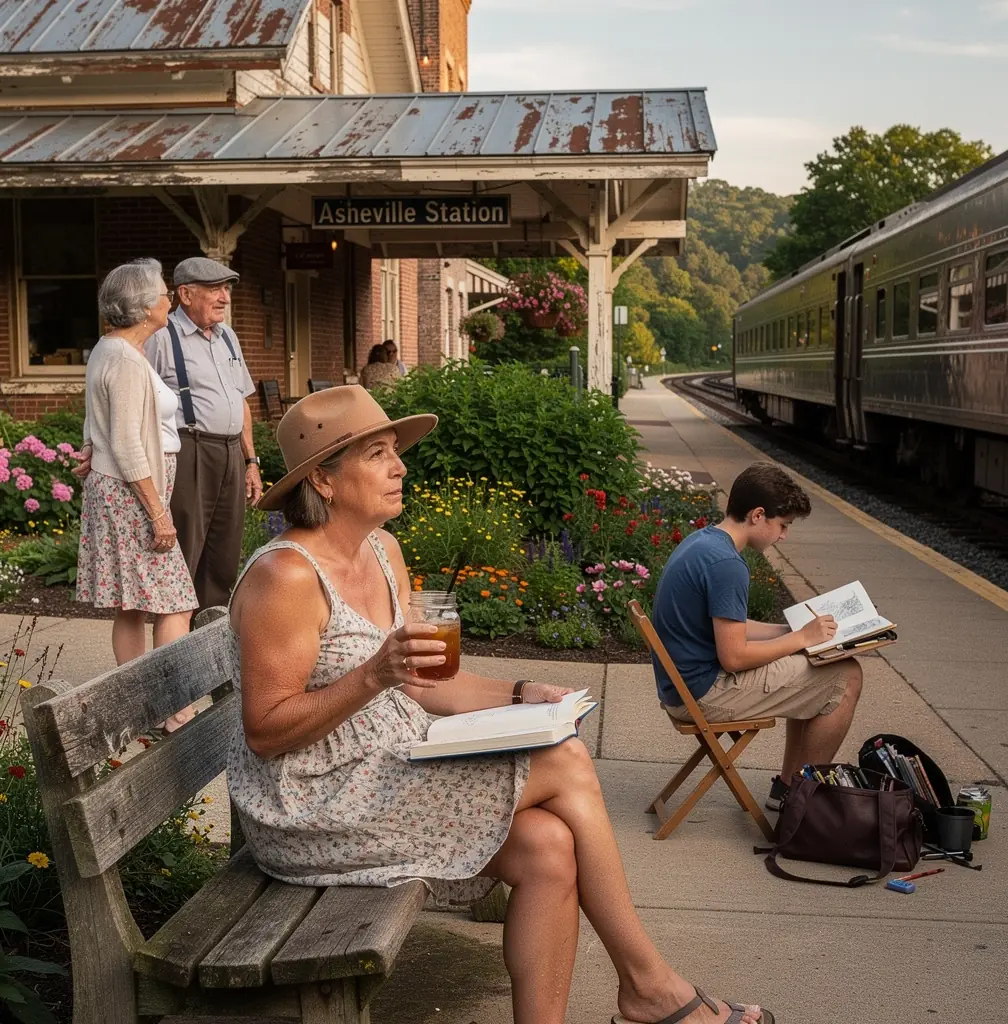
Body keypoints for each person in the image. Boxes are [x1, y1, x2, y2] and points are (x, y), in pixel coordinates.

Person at [226, 386, 773, 1024]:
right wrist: (373, 676)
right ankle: (649, 986)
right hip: (312, 806)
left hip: (384, 771)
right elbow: (265, 731)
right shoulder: (285, 577)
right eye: (377, 455)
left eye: (395, 452)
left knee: (548, 846)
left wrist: (521, 694)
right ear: (322, 477)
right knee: (565, 759)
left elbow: (425, 684)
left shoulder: (383, 551)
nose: (401, 466)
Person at [652, 463, 863, 812]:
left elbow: (733, 624)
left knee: (812, 667)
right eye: (783, 525)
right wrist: (801, 640)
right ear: (758, 515)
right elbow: (733, 657)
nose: (784, 536)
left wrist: (791, 631)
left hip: (681, 687)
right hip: (703, 694)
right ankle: (801, 800)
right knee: (846, 675)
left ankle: (788, 788)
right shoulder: (727, 565)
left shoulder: (704, 541)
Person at [74, 258, 198, 730]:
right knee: (175, 602)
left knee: (133, 604)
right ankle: (171, 705)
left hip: (119, 487)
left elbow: (97, 415)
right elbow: (127, 443)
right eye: (165, 293)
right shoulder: (125, 359)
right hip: (133, 494)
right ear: (146, 307)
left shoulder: (109, 349)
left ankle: (136, 705)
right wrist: (159, 515)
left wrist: (89, 445)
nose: (170, 299)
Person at [142, 257, 264, 613]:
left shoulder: (228, 337)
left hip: (230, 453)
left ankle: (208, 635)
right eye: (214, 289)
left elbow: (240, 401)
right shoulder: (162, 337)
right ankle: (176, 642)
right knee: (187, 551)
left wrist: (251, 461)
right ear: (185, 294)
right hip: (188, 450)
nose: (224, 297)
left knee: (224, 553)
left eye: (226, 288)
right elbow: (139, 399)